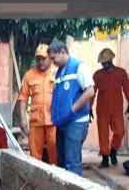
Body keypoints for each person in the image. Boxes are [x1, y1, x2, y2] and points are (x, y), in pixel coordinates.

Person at [48, 40, 95, 176]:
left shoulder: (78, 67)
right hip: (63, 122)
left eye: (53, 58)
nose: (52, 62)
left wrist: (72, 109)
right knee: (62, 162)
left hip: (75, 122)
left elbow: (90, 91)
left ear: (63, 52)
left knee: (72, 162)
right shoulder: (59, 72)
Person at [19, 44, 57, 164]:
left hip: (54, 120)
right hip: (36, 121)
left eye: (43, 58)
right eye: (38, 59)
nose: (40, 62)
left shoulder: (57, 73)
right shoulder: (29, 75)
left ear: (50, 58)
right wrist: (23, 119)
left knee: (55, 151)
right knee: (35, 155)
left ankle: (56, 178)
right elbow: (23, 98)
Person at [93, 48, 129, 168]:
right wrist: (88, 108)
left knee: (120, 131)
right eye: (102, 63)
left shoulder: (121, 73)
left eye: (106, 62)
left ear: (111, 60)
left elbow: (127, 90)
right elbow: (92, 92)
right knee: (103, 135)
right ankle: (104, 158)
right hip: (102, 110)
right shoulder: (97, 75)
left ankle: (113, 150)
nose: (104, 64)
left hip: (117, 109)